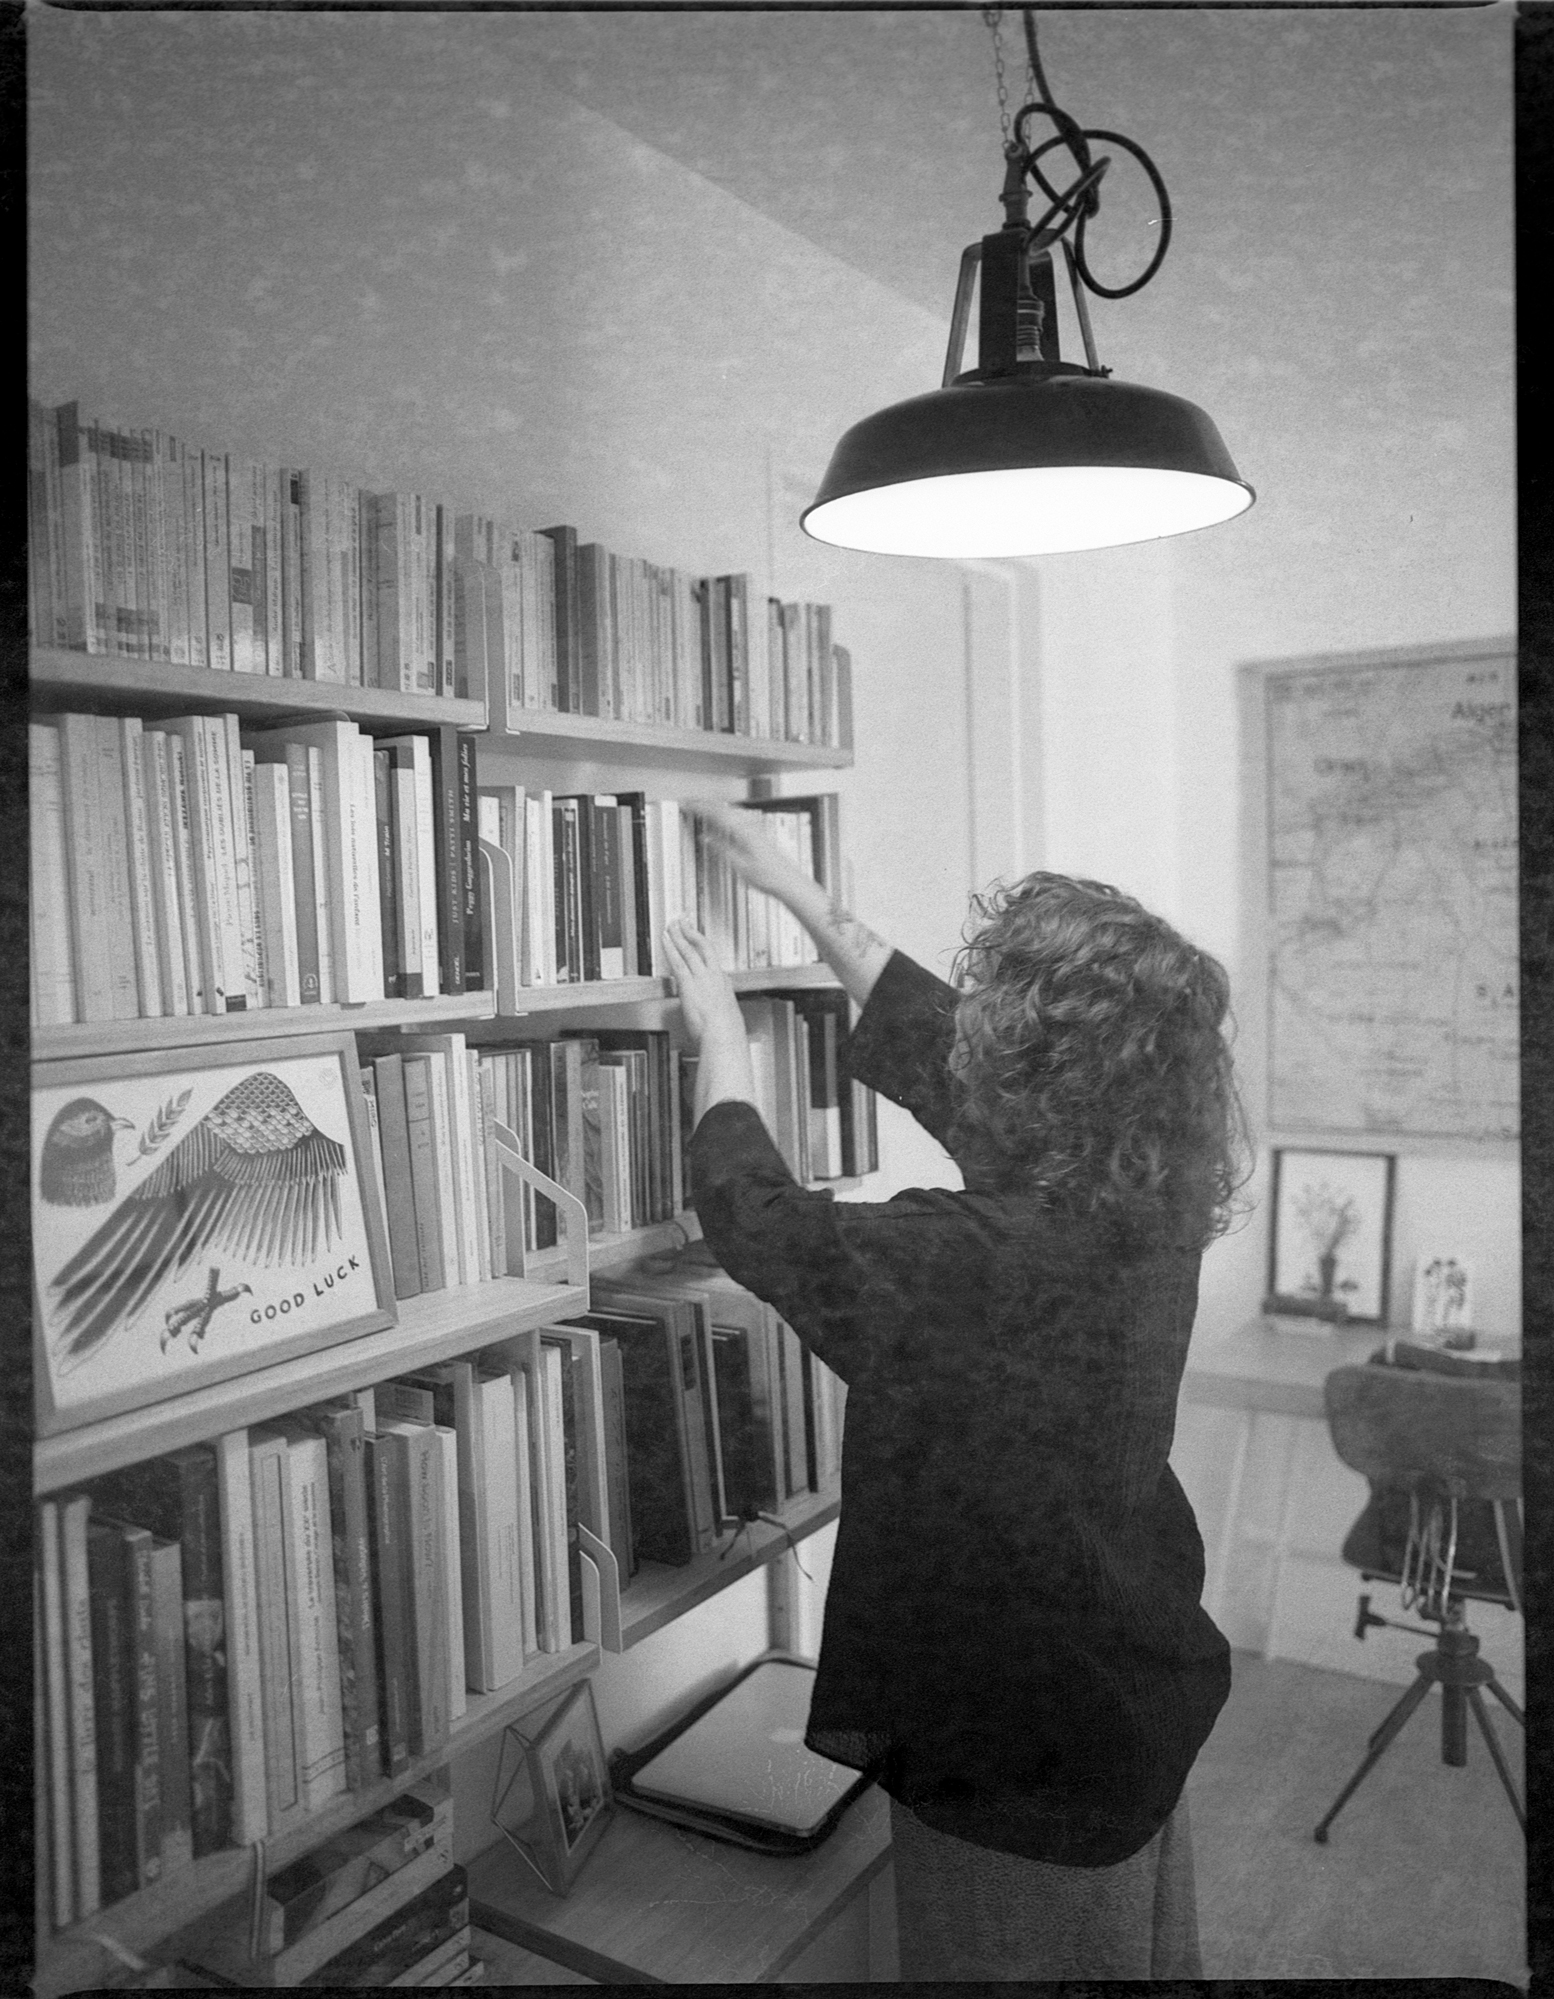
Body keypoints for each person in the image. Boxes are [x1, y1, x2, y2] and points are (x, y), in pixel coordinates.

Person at [660, 801, 1249, 1982]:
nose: (969, 1026)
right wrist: (797, 893)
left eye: (995, 1013)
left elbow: (759, 1221)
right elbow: (936, 1042)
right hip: (1126, 1684)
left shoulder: (970, 1256)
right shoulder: (1149, 1187)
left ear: (1034, 1069)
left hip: (1019, 1735)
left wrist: (721, 1042)